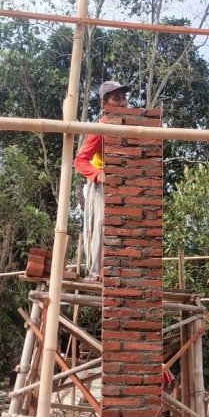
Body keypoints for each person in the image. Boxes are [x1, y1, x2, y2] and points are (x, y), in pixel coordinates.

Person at [73, 81, 130, 281]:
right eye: (116, 99)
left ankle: (119, 269)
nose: (122, 103)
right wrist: (98, 174)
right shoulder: (101, 128)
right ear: (104, 104)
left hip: (125, 184)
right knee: (101, 222)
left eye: (124, 98)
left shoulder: (133, 126)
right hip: (102, 183)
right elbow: (80, 160)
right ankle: (95, 271)